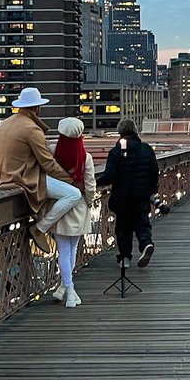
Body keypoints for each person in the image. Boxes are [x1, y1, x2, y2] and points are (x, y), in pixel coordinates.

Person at [0, 86, 82, 254]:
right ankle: (40, 228)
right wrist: (71, 180)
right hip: (27, 180)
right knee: (73, 194)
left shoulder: (2, 126)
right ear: (36, 107)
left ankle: (40, 220)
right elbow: (48, 164)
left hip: (5, 179)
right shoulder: (32, 129)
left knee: (57, 192)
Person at [99, 117, 160, 268]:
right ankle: (146, 244)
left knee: (123, 227)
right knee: (142, 223)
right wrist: (152, 191)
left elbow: (110, 175)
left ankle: (125, 258)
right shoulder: (146, 149)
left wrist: (95, 182)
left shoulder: (116, 151)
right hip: (141, 194)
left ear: (120, 132)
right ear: (135, 131)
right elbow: (154, 172)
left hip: (122, 196)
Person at [50, 117, 97, 308]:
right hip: (78, 205)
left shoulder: (52, 152)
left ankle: (65, 287)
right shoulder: (85, 157)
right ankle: (69, 289)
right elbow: (90, 185)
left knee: (63, 250)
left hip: (57, 205)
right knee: (72, 249)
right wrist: (89, 202)